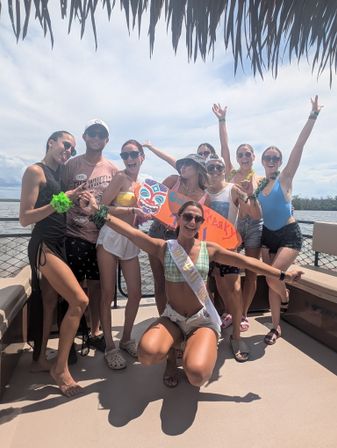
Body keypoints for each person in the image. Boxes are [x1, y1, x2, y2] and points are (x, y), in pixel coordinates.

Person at [79, 197, 303, 388]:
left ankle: (192, 348)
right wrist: (97, 212)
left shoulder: (209, 249)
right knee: (147, 354)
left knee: (196, 376)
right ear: (178, 219)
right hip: (173, 318)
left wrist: (282, 275)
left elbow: (246, 261)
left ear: (201, 223)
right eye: (187, 216)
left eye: (197, 219)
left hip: (201, 320)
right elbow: (128, 231)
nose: (192, 222)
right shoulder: (163, 248)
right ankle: (171, 357)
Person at [20, 130, 88, 397]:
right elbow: (25, 218)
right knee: (79, 301)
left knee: (50, 302)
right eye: (66, 145)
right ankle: (60, 369)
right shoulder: (34, 171)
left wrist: (74, 200)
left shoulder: (59, 174)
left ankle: (38, 360)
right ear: (51, 142)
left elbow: (58, 208)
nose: (68, 151)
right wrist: (62, 199)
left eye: (72, 148)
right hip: (44, 245)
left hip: (59, 244)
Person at [255, 95, 322, 345]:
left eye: (275, 158)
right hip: (267, 236)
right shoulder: (258, 185)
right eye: (268, 158)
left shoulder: (285, 179)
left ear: (280, 162)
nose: (272, 161)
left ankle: (285, 298)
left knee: (273, 277)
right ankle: (275, 327)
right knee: (271, 279)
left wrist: (312, 116)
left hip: (288, 235)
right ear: (262, 162)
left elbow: (299, 146)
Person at [62, 119, 118, 353]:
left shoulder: (112, 169)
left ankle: (94, 333)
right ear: (84, 136)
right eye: (92, 133)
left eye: (101, 134)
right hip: (73, 235)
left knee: (97, 288)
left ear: (106, 140)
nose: (96, 137)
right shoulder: (71, 165)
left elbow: (114, 204)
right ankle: (73, 338)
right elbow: (60, 198)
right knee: (73, 290)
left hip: (102, 238)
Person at [96, 140, 149, 369]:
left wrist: (144, 215)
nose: (129, 158)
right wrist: (130, 209)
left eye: (133, 154)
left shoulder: (143, 184)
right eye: (125, 154)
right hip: (110, 238)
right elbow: (102, 207)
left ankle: (126, 338)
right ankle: (110, 347)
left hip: (131, 239)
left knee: (135, 293)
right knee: (107, 294)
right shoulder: (119, 177)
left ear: (142, 156)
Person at [212, 103, 264, 330]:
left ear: (253, 157)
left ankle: (242, 314)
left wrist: (252, 190)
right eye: (240, 154)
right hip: (232, 226)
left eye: (247, 154)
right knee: (226, 270)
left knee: (250, 272)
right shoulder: (230, 173)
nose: (243, 157)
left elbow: (258, 204)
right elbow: (224, 147)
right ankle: (228, 311)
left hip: (252, 224)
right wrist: (222, 121)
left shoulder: (258, 178)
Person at [206, 154, 262, 361]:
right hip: (206, 252)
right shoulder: (202, 193)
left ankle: (236, 337)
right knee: (213, 290)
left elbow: (255, 215)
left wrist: (252, 195)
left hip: (228, 250)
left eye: (218, 167)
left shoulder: (233, 189)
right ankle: (209, 331)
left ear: (224, 170)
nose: (214, 171)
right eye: (210, 168)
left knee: (236, 290)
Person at [146, 153, 209, 314]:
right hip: (158, 232)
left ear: (197, 169)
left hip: (181, 238)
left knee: (178, 282)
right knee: (159, 281)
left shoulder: (204, 196)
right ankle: (163, 317)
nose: (183, 167)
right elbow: (153, 202)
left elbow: (203, 225)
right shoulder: (173, 180)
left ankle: (181, 317)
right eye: (182, 164)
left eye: (188, 164)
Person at [142, 141, 216, 170]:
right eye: (200, 154)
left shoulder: (219, 171)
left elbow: (224, 147)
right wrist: (151, 147)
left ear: (212, 154)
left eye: (206, 153)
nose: (203, 156)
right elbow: (168, 159)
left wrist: (221, 120)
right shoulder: (190, 171)